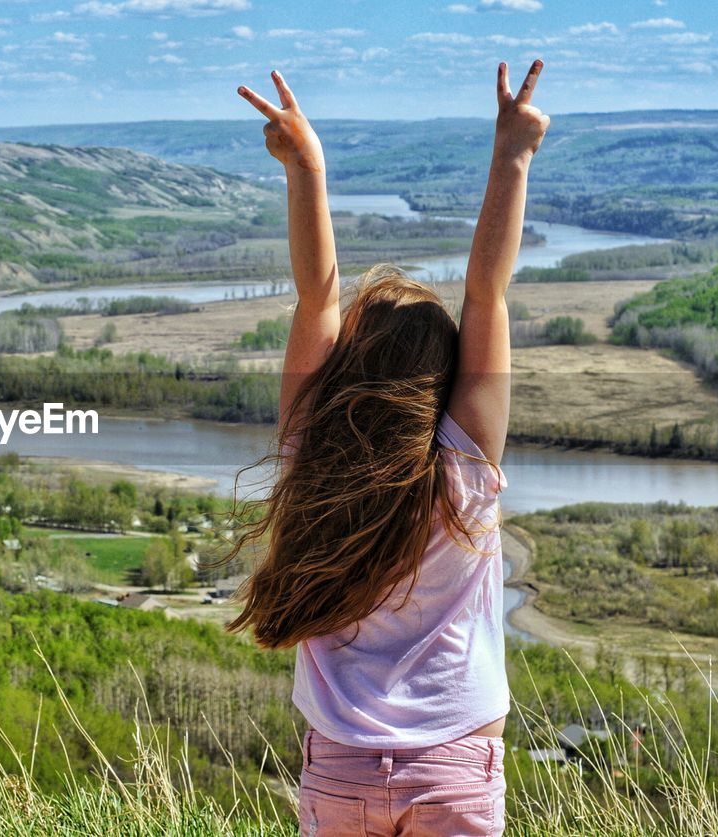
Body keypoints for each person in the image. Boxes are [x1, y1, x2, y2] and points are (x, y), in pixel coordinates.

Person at [230, 61, 549, 836]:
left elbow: (315, 298)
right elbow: (487, 294)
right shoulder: (462, 471)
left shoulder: (314, 461)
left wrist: (307, 170)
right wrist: (513, 154)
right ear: (441, 382)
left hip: (338, 767)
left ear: (345, 372)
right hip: (452, 766)